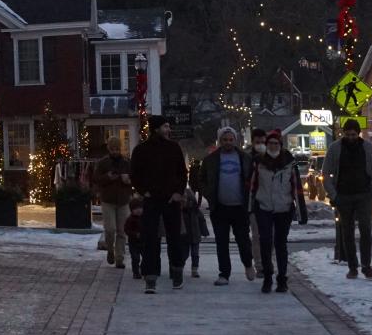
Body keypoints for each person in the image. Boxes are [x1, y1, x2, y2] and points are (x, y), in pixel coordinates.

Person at [131, 114, 188, 293]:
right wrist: (143, 190)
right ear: (156, 129)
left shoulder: (174, 148)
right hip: (152, 199)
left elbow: (182, 172)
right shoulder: (141, 150)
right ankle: (150, 277)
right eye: (165, 126)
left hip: (171, 199)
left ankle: (177, 271)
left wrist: (178, 192)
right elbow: (135, 174)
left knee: (174, 238)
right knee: (150, 239)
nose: (168, 130)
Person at [323, 118, 372, 279]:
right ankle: (352, 267)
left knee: (366, 230)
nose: (351, 138)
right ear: (343, 133)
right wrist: (334, 195)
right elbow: (326, 173)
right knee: (347, 232)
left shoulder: (367, 147)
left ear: (358, 133)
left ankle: (366, 266)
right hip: (343, 195)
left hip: (364, 195)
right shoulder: (335, 148)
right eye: (347, 134)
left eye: (353, 134)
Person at [252, 131, 307, 293]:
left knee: (281, 243)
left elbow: (297, 187)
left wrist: (301, 211)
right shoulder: (258, 162)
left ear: (280, 146)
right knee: (265, 241)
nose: (273, 146)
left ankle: (282, 278)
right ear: (266, 145)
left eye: (276, 143)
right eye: (270, 143)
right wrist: (250, 208)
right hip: (264, 207)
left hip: (284, 207)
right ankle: (268, 276)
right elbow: (252, 186)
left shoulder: (290, 162)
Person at [201, 127, 256, 285]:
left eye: (231, 139)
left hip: (240, 207)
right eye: (224, 140)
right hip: (220, 207)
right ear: (219, 141)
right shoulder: (211, 160)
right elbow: (201, 179)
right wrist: (208, 194)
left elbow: (252, 178)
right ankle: (224, 273)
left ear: (235, 140)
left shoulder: (245, 158)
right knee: (221, 242)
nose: (228, 142)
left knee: (243, 240)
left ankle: (248, 264)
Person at [94, 141, 134, 269]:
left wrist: (128, 180)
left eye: (117, 148)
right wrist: (107, 177)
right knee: (110, 229)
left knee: (122, 231)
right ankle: (110, 249)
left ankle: (119, 258)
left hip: (123, 200)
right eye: (113, 149)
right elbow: (95, 179)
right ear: (109, 149)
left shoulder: (127, 162)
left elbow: (135, 177)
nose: (115, 151)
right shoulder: (102, 163)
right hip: (108, 200)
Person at [124, 197, 145, 279]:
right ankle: (136, 272)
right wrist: (135, 234)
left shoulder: (145, 219)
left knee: (146, 257)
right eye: (136, 209)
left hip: (143, 242)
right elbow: (126, 230)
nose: (138, 210)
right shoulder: (130, 219)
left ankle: (143, 269)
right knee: (135, 258)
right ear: (132, 210)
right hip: (133, 243)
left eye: (140, 208)